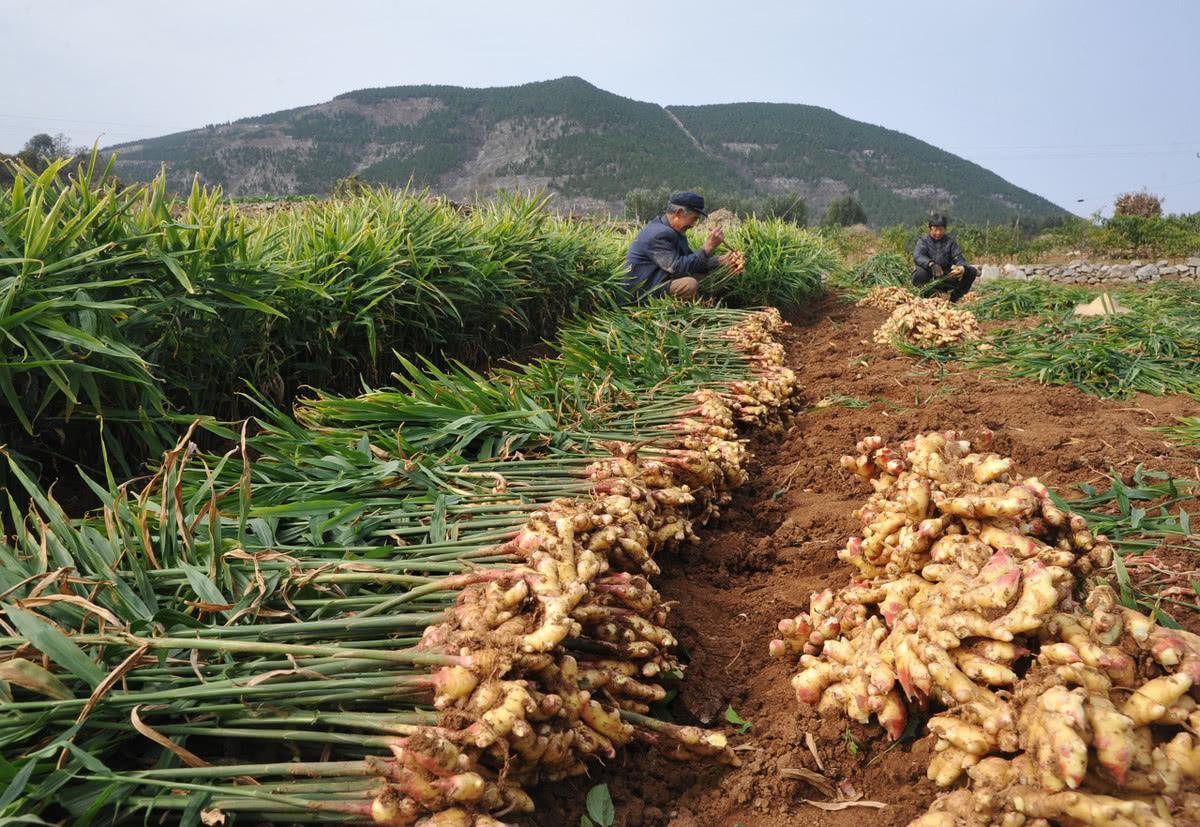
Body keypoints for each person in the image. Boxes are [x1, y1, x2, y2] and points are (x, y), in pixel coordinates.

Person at [625, 191, 742, 299]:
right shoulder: (659, 234)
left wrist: (720, 261)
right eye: (694, 219)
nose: (693, 225)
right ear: (679, 213)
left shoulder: (674, 231)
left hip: (659, 281)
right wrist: (708, 247)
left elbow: (691, 262)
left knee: (704, 275)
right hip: (642, 291)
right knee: (689, 284)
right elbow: (677, 267)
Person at [912, 213, 977, 302]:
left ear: (945, 229)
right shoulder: (923, 241)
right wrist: (931, 263)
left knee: (971, 271)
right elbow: (918, 256)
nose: (938, 233)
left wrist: (961, 267)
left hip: (945, 275)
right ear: (930, 229)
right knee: (920, 273)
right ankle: (925, 296)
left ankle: (955, 298)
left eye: (941, 230)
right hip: (929, 275)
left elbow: (958, 257)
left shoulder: (950, 242)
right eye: (935, 230)